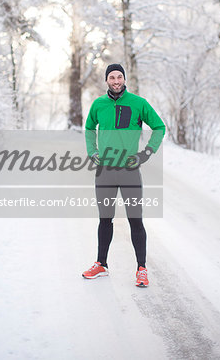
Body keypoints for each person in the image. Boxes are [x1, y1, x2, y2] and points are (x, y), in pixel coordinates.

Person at [82, 64, 165, 286]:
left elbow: (159, 127)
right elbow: (89, 128)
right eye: (112, 77)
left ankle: (141, 269)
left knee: (135, 220)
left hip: (129, 171)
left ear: (124, 79)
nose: (116, 80)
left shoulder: (138, 103)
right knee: (105, 219)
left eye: (119, 77)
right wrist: (92, 151)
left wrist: (146, 153)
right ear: (106, 80)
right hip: (105, 172)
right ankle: (101, 264)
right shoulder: (99, 104)